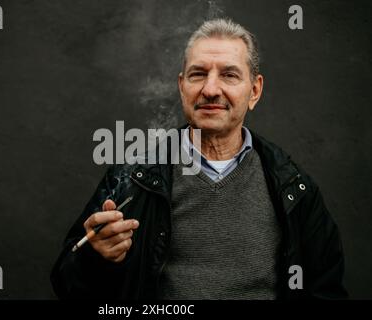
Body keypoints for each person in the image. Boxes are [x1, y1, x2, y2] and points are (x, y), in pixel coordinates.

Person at [50, 18, 347, 299]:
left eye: (229, 75)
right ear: (182, 87)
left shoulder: (293, 188)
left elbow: (325, 290)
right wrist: (94, 257)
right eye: (198, 74)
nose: (210, 89)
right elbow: (67, 284)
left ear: (254, 91)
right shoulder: (131, 179)